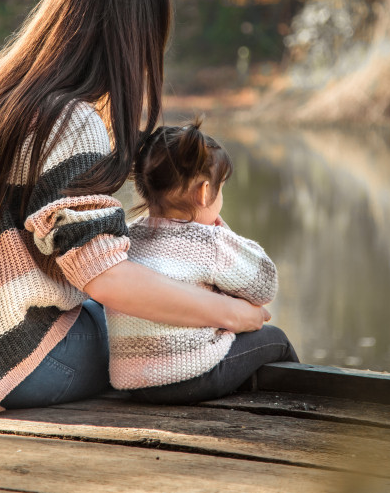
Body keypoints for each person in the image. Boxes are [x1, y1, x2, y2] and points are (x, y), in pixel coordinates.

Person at [0, 0, 270, 412]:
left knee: (142, 311)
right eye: (147, 48)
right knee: (157, 336)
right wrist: (233, 314)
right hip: (5, 365)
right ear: (123, 45)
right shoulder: (69, 121)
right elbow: (106, 281)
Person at [107, 119, 298, 404]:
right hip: (192, 376)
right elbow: (265, 285)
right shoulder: (210, 242)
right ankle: (298, 412)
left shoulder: (128, 237)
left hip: (132, 382)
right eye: (220, 190)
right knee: (277, 340)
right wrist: (221, 231)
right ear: (205, 192)